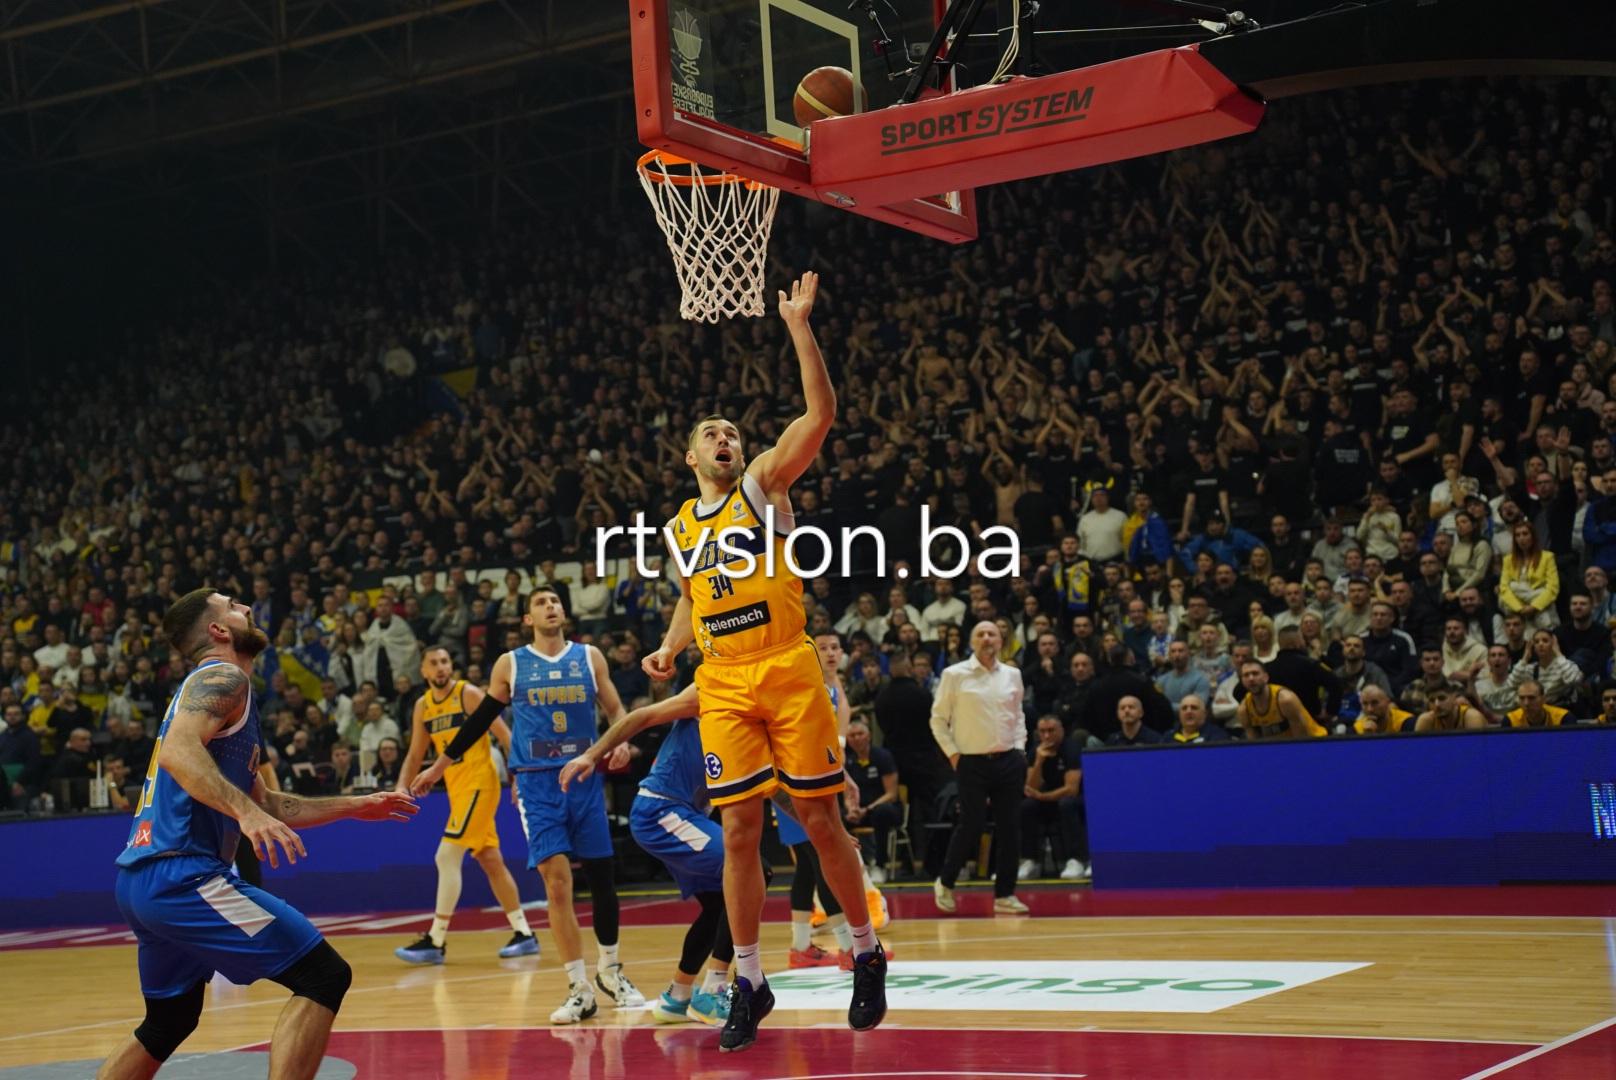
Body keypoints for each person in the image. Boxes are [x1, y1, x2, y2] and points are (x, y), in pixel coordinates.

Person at [641, 272, 887, 1052]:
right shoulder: (680, 528)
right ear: (689, 455)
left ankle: (866, 950)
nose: (726, 439)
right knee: (740, 829)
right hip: (721, 679)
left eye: (732, 433)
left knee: (818, 818)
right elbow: (692, 595)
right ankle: (748, 979)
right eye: (711, 433)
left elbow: (820, 415)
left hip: (784, 665)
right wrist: (672, 644)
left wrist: (799, 326)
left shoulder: (761, 486)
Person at [100, 589, 418, 1080]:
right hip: (183, 876)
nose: (246, 609)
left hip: (142, 880)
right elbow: (179, 753)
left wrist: (357, 805)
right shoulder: (223, 677)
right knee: (323, 976)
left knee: (168, 1021)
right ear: (218, 630)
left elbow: (269, 803)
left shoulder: (220, 695)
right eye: (232, 606)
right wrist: (245, 815)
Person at [411, 587, 643, 1025]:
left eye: (555, 601)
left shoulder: (590, 657)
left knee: (602, 879)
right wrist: (439, 765)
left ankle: (611, 971)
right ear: (527, 619)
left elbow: (616, 710)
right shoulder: (511, 664)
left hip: (583, 777)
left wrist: (621, 741)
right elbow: (480, 720)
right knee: (557, 884)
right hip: (537, 784)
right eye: (541, 603)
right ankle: (579, 988)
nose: (551, 606)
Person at [558, 684, 733, 1028]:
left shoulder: (762, 711)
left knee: (719, 904)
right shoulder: (713, 687)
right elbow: (644, 715)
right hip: (662, 809)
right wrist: (591, 754)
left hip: (687, 814)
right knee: (751, 871)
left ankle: (676, 998)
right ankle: (714, 992)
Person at [393, 646, 538, 964]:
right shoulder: (423, 707)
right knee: (490, 859)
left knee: (446, 856)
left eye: (445, 661)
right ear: (423, 671)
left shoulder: (467, 694)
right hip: (457, 790)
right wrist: (401, 787)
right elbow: (415, 754)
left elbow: (505, 736)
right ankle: (524, 933)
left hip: (480, 784)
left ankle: (435, 939)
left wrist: (517, 776)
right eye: (434, 663)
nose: (441, 667)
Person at [930, 620, 1030, 916]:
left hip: (1009, 760)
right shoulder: (954, 674)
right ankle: (946, 882)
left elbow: (1018, 715)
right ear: (972, 641)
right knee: (971, 824)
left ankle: (1005, 894)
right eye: (980, 634)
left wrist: (1020, 749)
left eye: (992, 634)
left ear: (1001, 640)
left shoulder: (1013, 674)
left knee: (1010, 827)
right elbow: (938, 719)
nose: (987, 638)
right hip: (970, 761)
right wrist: (953, 754)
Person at [1018, 715, 1085, 880]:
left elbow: (1072, 789)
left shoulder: (1071, 749)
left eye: (1051, 730)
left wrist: (1043, 796)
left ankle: (1076, 860)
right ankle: (1030, 861)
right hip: (1047, 799)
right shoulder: (1036, 751)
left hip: (1075, 800)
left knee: (1066, 804)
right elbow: (1030, 787)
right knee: (1027, 806)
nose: (1046, 735)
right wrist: (1039, 762)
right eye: (1042, 731)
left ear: (1061, 730)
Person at [1234, 660, 1327, 740]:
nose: (1251, 678)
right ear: (1242, 681)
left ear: (1266, 677)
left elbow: (1301, 740)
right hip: (1279, 749)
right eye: (1246, 675)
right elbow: (1255, 745)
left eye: (1255, 673)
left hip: (1315, 741)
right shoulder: (1244, 710)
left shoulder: (1285, 700)